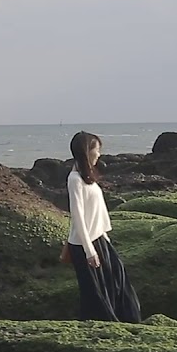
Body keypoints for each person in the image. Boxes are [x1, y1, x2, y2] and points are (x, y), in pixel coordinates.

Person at [64, 131, 141, 322]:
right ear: (86, 151)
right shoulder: (74, 179)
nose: (99, 154)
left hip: (100, 239)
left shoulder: (86, 176)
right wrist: (89, 251)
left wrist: (104, 239)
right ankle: (101, 328)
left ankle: (128, 322)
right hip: (85, 244)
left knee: (119, 282)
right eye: (96, 150)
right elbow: (78, 216)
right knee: (95, 294)